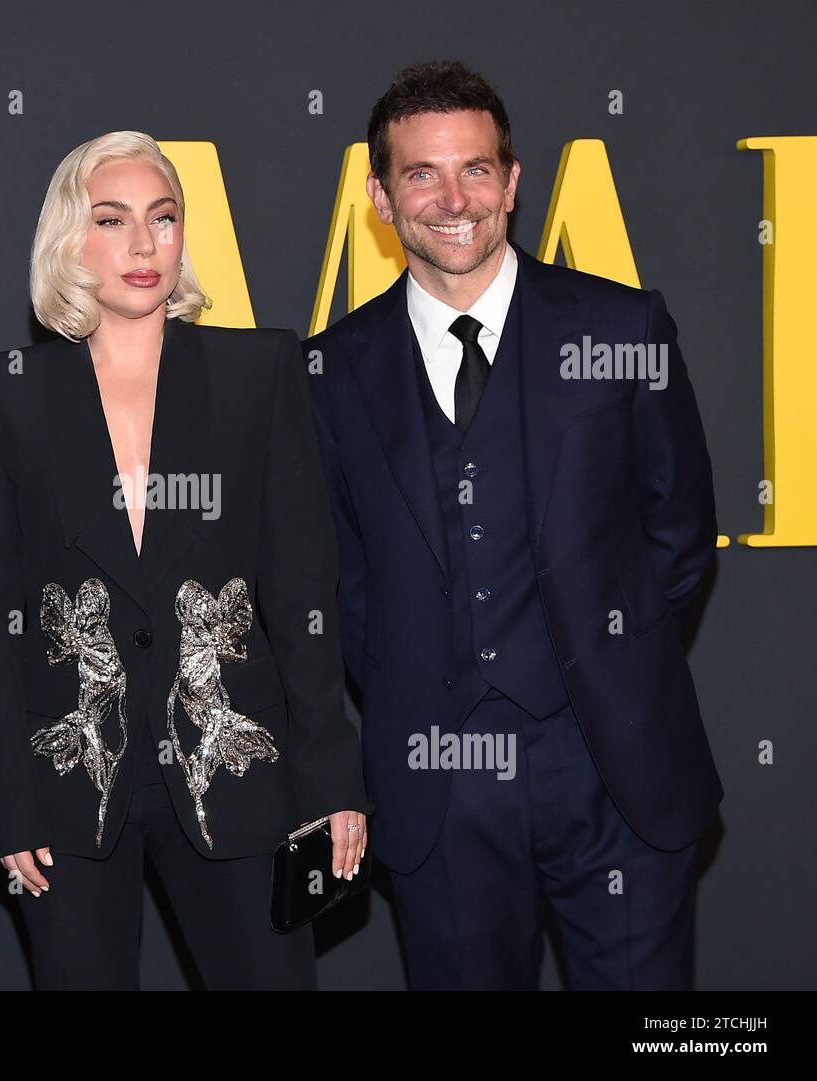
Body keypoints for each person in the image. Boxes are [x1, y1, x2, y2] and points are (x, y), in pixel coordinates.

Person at [305, 61, 722, 990]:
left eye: (477, 170)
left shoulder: (623, 327)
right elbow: (337, 578)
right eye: (421, 174)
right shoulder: (331, 373)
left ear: (512, 182)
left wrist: (610, 656)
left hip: (615, 772)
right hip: (438, 784)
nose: (454, 200)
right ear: (380, 195)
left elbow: (681, 532)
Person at [0, 131, 370, 990]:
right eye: (112, 220)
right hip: (70, 778)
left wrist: (334, 777)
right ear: (69, 239)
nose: (144, 246)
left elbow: (302, 591)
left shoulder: (259, 371)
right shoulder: (6, 391)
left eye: (163, 217)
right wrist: (4, 797)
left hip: (237, 769)